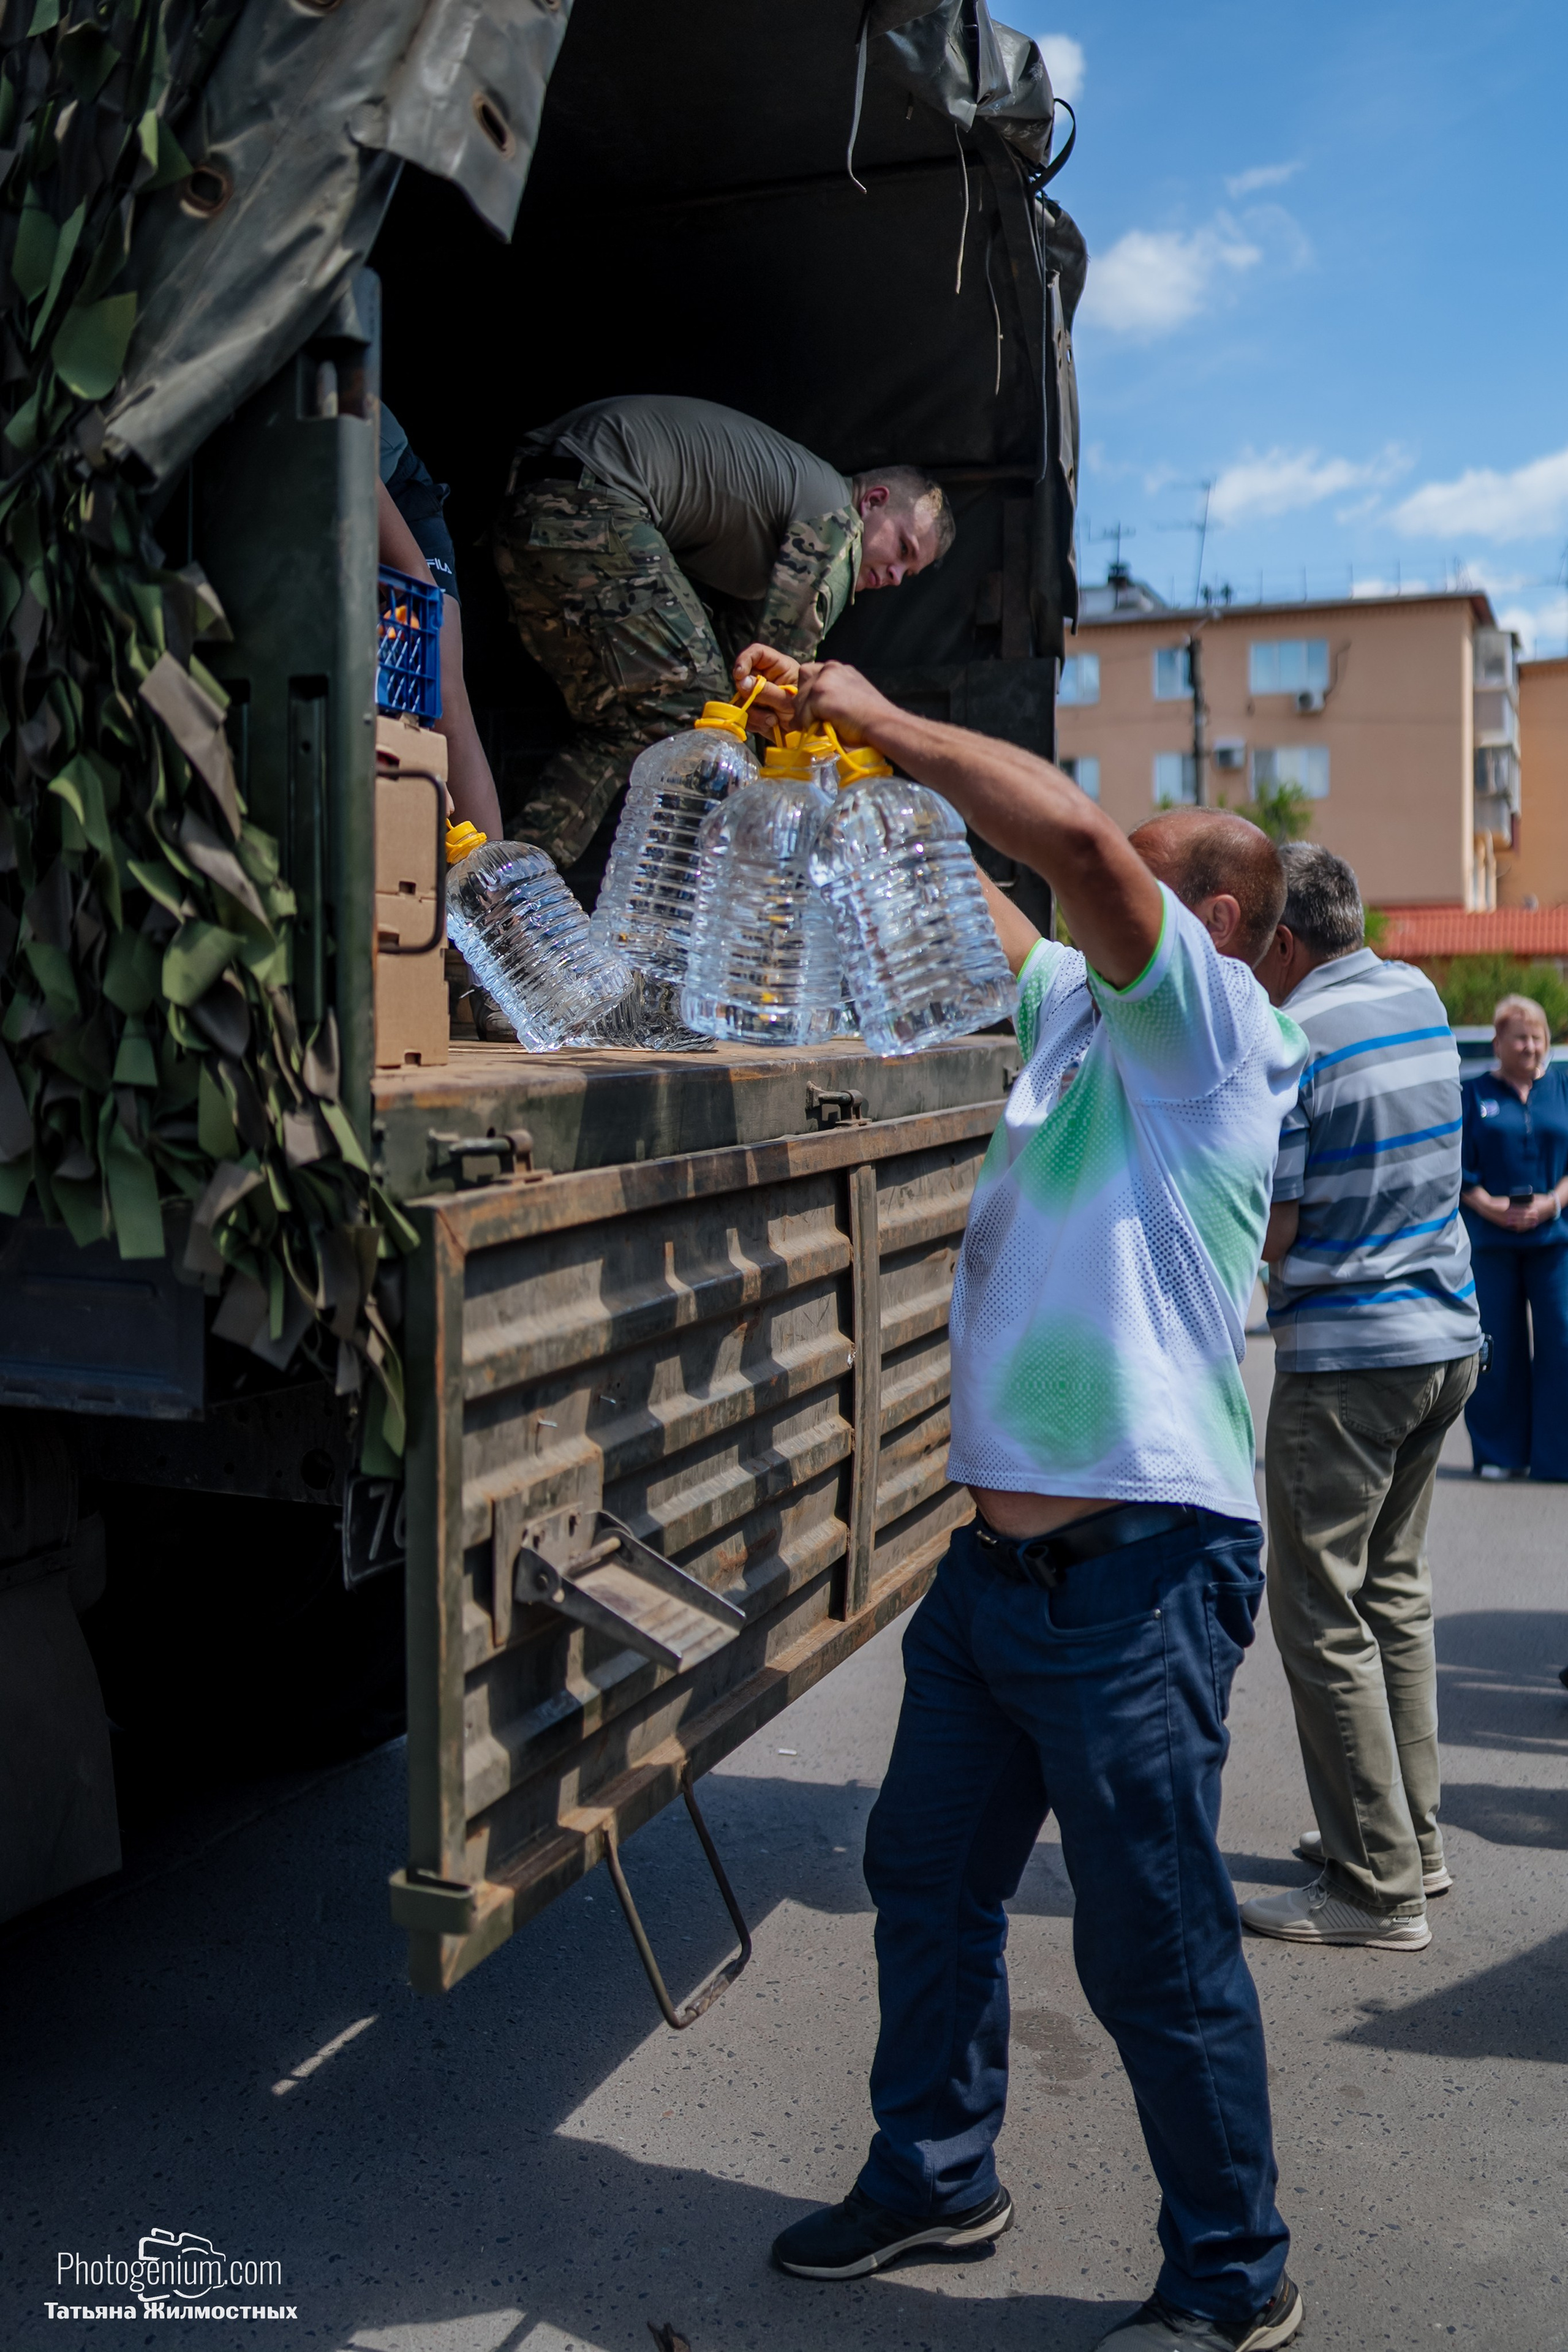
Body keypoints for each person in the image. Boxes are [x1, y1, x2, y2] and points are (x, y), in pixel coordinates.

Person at [762, 654, 1310, 2352]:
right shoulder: (1077, 1018)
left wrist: (889, 715)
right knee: (921, 1873)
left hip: (1140, 1576)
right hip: (1000, 1582)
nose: (1095, 902)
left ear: (1209, 915)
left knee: (1152, 1946)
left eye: (1139, 878)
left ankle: (1236, 2275)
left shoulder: (1216, 1039)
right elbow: (1001, 891)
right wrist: (854, 777)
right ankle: (938, 2175)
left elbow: (1071, 842)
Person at [1241, 845, 1480, 1956]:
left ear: (1284, 943)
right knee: (1392, 1599)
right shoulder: (1417, 993)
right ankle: (1411, 1845)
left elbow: (1278, 1229)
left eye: (1250, 948)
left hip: (1348, 1363)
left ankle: (1372, 1889)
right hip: (1444, 1343)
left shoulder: (1293, 1040)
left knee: (1320, 1614)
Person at [489, 394, 953, 890]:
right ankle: (700, 922)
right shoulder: (837, 523)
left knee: (620, 727)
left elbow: (747, 676)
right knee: (710, 725)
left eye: (910, 572)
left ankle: (501, 891)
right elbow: (782, 696)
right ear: (875, 501)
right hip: (591, 504)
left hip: (532, 508)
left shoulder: (788, 520)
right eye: (902, 548)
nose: (895, 576)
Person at [377, 402, 504, 842]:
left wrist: (423, 753)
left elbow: (418, 584)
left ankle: (495, 897)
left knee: (443, 690)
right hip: (302, 520)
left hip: (389, 493)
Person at [1459, 992, 1568, 1481]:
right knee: (1495, 1348)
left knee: (1562, 1343)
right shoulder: (1473, 1093)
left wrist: (1553, 1202)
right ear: (1498, 1041)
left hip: (1555, 1240)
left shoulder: (1563, 1088)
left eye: (1538, 1036)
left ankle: (1557, 1456)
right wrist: (1487, 1205)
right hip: (1492, 1242)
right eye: (1520, 1037)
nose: (1530, 1046)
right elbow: (1455, 1166)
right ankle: (1500, 1454)